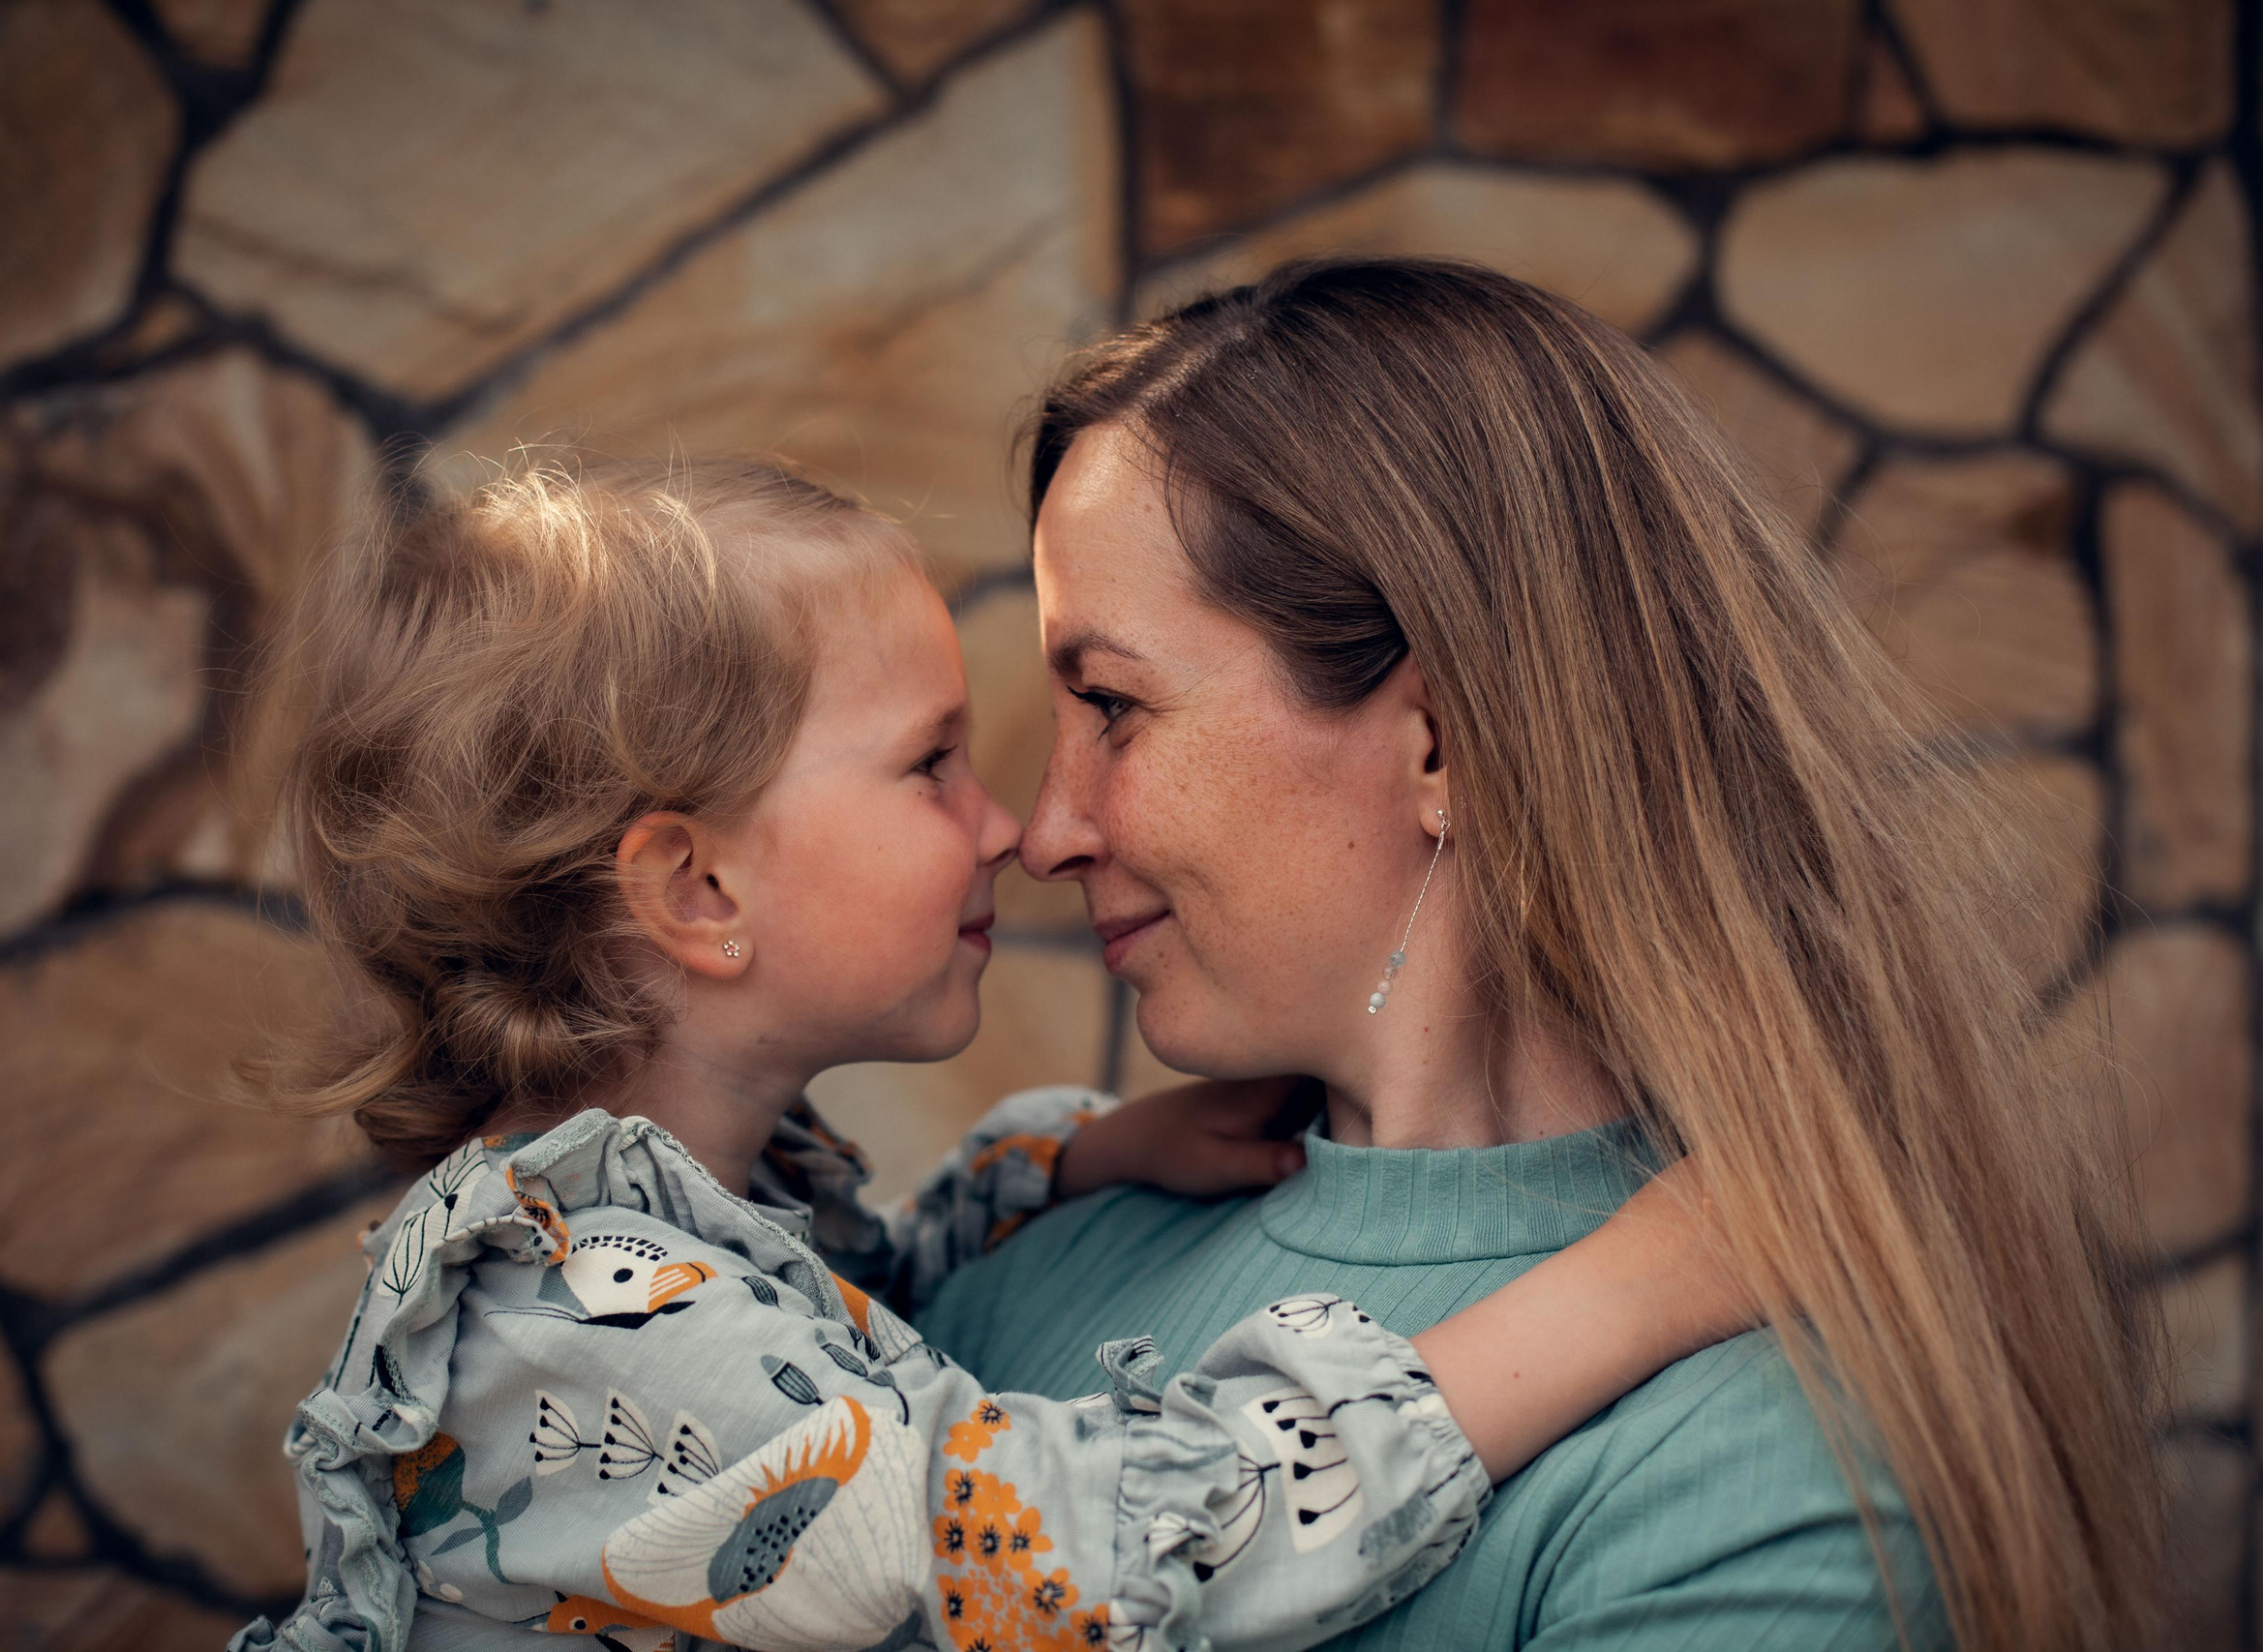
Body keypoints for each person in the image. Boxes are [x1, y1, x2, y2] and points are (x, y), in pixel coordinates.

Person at [233, 459, 1759, 1652]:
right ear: (700, 894)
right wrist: (1631, 1292)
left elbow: (856, 1307)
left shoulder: (672, 1221)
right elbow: (1068, 1564)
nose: (1014, 830)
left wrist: (1080, 1160)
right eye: (930, 766)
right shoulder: (571, 1326)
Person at [918, 258, 2162, 1652]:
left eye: (1111, 704)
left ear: (1440, 740)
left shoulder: (1755, 1468)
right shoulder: (1009, 1266)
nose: (1046, 832)